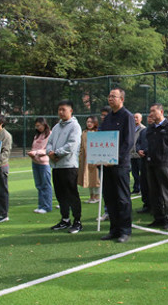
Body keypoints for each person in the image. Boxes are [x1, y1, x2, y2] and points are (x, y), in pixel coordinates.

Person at [99, 88, 135, 243]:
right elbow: (101, 138)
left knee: (122, 198)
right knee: (109, 197)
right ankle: (114, 229)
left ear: (122, 99)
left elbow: (128, 142)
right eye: (109, 96)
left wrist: (115, 159)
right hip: (105, 165)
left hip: (120, 165)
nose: (110, 98)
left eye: (114, 96)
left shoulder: (127, 116)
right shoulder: (107, 119)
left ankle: (125, 230)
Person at [46, 99, 83, 234]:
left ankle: (77, 221)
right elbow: (49, 142)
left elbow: (72, 145)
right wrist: (50, 153)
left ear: (71, 111)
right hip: (56, 166)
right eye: (59, 110)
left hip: (69, 166)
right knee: (60, 194)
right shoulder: (56, 127)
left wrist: (56, 153)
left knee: (72, 194)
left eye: (64, 110)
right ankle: (65, 219)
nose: (61, 112)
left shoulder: (75, 126)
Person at [146, 103, 168, 230]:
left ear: (161, 112)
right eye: (150, 111)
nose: (151, 113)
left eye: (153, 111)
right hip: (151, 163)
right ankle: (158, 218)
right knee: (154, 192)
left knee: (167, 192)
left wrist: (167, 158)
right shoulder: (150, 129)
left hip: (164, 164)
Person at [28, 117, 52, 214]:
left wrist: (37, 152)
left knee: (45, 184)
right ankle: (41, 205)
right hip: (35, 162)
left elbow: (48, 149)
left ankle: (47, 206)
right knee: (39, 185)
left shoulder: (49, 134)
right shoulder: (37, 136)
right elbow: (34, 147)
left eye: (39, 125)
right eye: (36, 126)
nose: (38, 128)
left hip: (44, 163)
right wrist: (32, 153)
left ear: (44, 124)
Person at [78, 116, 101, 203]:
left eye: (91, 122)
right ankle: (91, 196)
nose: (89, 124)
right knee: (88, 178)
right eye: (88, 122)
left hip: (95, 159)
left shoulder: (97, 132)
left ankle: (97, 197)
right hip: (85, 159)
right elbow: (81, 146)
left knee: (95, 178)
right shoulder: (84, 133)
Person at [135, 114, 154, 214]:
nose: (150, 119)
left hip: (154, 161)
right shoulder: (143, 131)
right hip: (143, 160)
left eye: (152, 117)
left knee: (153, 184)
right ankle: (146, 204)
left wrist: (146, 151)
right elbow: (137, 143)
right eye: (149, 118)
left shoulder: (156, 131)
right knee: (144, 183)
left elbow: (155, 144)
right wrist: (138, 150)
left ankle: (155, 205)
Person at [130, 113, 146, 194]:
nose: (135, 119)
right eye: (134, 117)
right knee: (134, 173)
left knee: (142, 173)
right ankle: (136, 188)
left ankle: (142, 188)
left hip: (140, 155)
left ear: (141, 119)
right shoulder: (131, 128)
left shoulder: (143, 129)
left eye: (137, 117)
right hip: (132, 154)